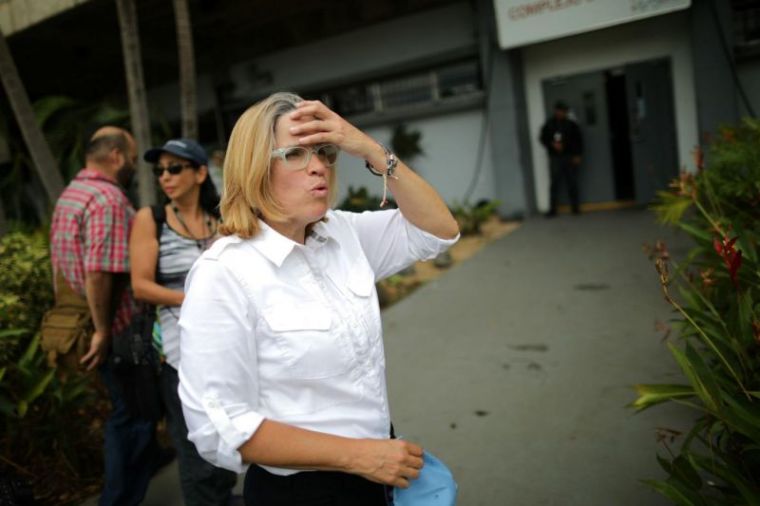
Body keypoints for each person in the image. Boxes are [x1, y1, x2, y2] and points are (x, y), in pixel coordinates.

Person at [177, 92, 460, 506]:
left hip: (379, 473)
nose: (318, 166)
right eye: (294, 154)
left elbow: (438, 230)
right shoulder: (224, 273)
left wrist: (366, 147)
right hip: (303, 491)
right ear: (255, 166)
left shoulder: (342, 234)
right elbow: (221, 425)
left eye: (324, 152)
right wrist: (358, 456)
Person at [50, 126, 164, 505]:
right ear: (115, 156)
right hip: (121, 330)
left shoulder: (72, 194)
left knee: (126, 415)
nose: (133, 165)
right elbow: (98, 272)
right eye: (132, 158)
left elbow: (63, 269)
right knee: (136, 420)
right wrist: (102, 330)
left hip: (95, 323)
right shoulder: (108, 199)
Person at [129, 138, 238, 506]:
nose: (165, 177)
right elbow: (141, 286)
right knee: (194, 443)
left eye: (174, 168)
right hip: (179, 351)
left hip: (227, 344)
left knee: (230, 433)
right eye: (160, 170)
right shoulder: (152, 219)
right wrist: (193, 300)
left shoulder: (220, 218)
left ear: (200, 172)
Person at [539, 100, 584, 216]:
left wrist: (578, 155)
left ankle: (575, 208)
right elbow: (542, 138)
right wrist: (552, 144)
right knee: (555, 183)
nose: (561, 113)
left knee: (572, 182)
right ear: (556, 111)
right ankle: (553, 209)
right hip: (555, 157)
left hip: (569, 155)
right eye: (559, 111)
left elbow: (578, 140)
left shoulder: (571, 124)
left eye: (563, 111)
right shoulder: (549, 124)